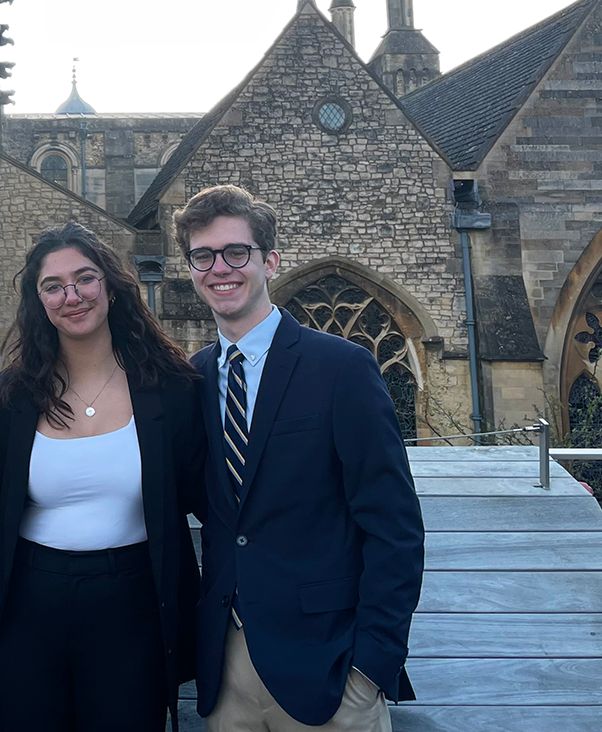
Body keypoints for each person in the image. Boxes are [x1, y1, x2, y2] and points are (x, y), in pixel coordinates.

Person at [174, 184, 425, 732]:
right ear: (191, 268)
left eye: (236, 252)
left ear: (270, 260)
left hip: (331, 669)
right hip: (227, 671)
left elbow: (394, 526)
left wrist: (370, 668)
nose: (220, 268)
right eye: (203, 256)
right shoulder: (190, 379)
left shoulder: (342, 368)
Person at [0, 222, 205, 732]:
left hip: (133, 602)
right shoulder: (14, 394)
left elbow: (206, 497)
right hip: (29, 601)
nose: (71, 296)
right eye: (53, 286)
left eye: (85, 278)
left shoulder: (170, 387)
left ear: (110, 284)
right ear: (38, 301)